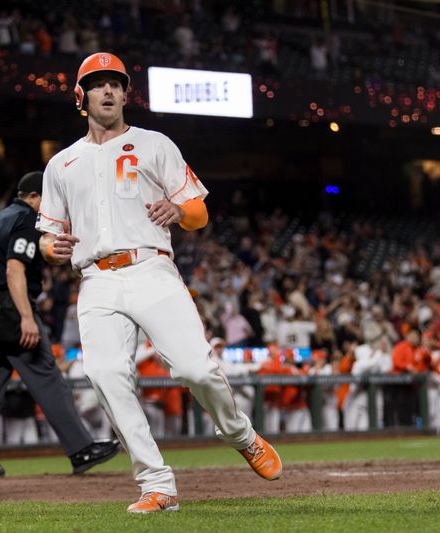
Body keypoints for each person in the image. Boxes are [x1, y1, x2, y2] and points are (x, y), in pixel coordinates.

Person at [37, 52, 282, 513]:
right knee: (105, 375)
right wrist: (53, 249)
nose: (108, 91)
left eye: (116, 83)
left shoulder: (155, 144)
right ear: (80, 96)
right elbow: (49, 236)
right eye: (98, 83)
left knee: (196, 369)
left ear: (126, 93)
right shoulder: (61, 164)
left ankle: (239, 434)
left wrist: (179, 211)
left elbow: (198, 211)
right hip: (96, 279)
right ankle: (156, 483)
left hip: (151, 268)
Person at [0, 171, 119, 479]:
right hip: (10, 310)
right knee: (47, 376)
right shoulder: (25, 219)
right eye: (46, 198)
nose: (51, 206)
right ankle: (81, 448)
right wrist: (26, 316)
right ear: (34, 197)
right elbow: (14, 269)